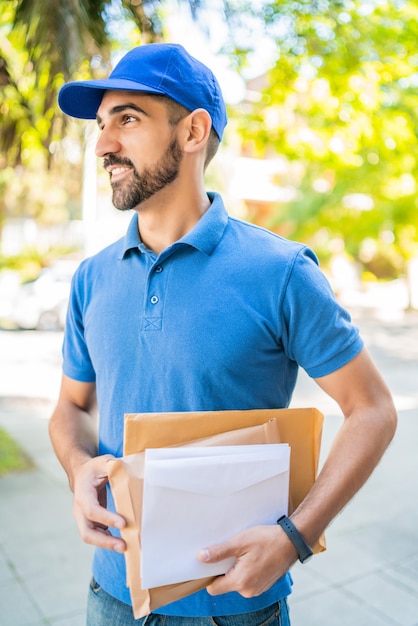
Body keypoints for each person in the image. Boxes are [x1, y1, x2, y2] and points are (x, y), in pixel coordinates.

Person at [50, 42, 397, 626]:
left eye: (127, 119)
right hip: (110, 597)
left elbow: (373, 409)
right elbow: (70, 408)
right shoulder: (92, 278)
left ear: (193, 131)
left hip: (234, 608)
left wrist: (295, 537)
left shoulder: (280, 273)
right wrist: (78, 467)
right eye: (102, 125)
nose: (104, 144)